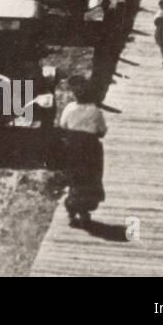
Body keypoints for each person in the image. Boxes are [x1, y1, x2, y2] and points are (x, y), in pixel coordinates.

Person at [58, 79, 107, 227]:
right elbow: (102, 131)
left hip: (72, 147)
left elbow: (62, 125)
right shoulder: (95, 110)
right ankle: (85, 212)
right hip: (90, 147)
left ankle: (71, 212)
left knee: (74, 177)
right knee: (90, 177)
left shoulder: (69, 108)